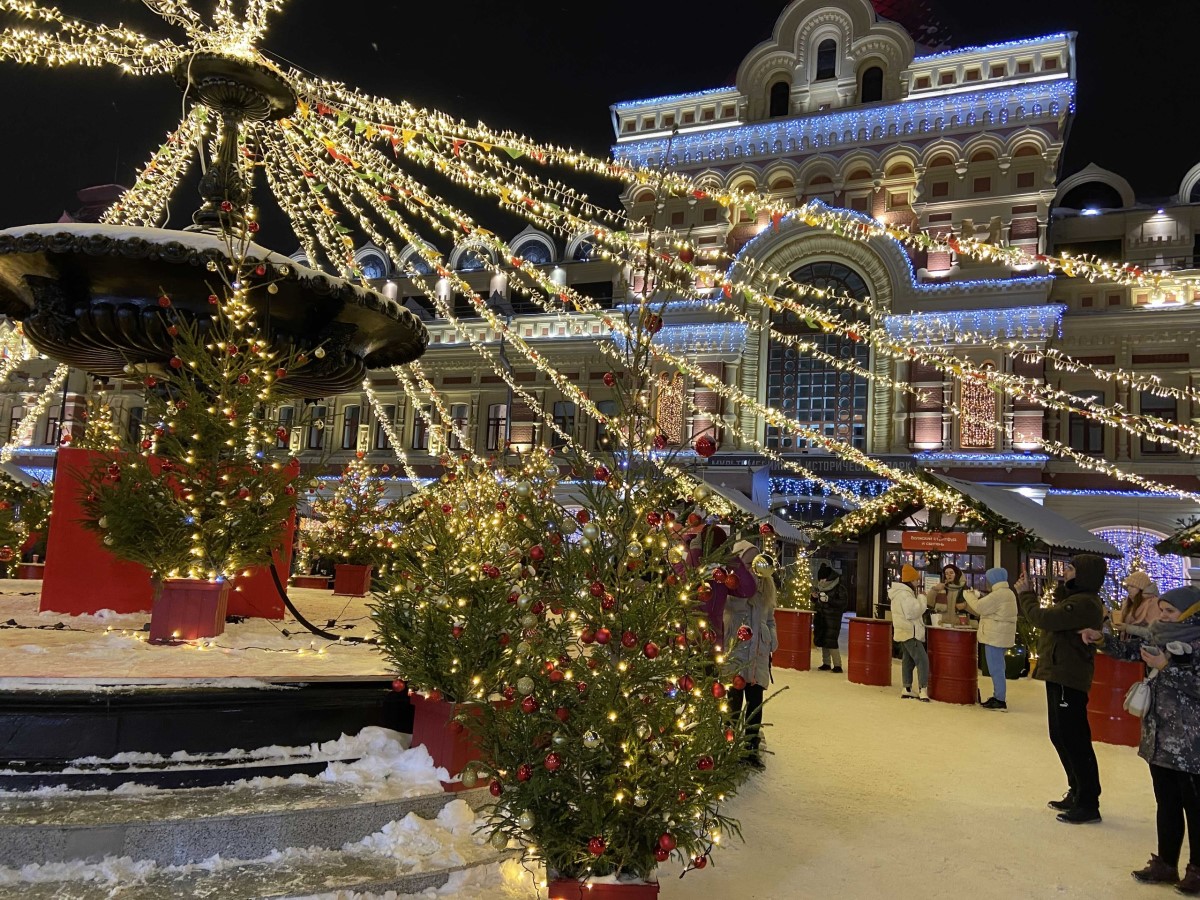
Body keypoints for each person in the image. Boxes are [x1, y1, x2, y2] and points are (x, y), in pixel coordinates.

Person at [1081, 585, 1200, 892]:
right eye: (1161, 609)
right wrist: (1102, 639)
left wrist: (1166, 669)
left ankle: (1197, 871)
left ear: (1190, 613)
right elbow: (1132, 651)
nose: (1162, 615)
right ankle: (1166, 864)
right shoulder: (1159, 636)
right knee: (1167, 802)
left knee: (1196, 807)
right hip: (1159, 737)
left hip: (1192, 744)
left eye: (1169, 611)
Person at [1014, 553, 1107, 824]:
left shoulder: (1085, 603)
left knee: (1073, 737)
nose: (1065, 572)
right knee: (1060, 735)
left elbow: (1044, 619)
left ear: (1084, 574)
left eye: (1070, 568)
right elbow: (1056, 612)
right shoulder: (1074, 599)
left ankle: (1089, 801)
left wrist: (1027, 595)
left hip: (1070, 675)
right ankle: (1077, 790)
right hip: (1059, 672)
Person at [725, 541, 779, 771]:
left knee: (755, 707)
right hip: (736, 656)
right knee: (733, 706)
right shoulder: (732, 590)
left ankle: (750, 749)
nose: (754, 568)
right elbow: (730, 613)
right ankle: (726, 748)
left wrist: (772, 637)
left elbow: (769, 619)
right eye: (748, 563)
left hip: (758, 656)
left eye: (756, 563)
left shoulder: (766, 589)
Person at [959, 567, 1017, 710]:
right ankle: (998, 696)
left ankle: (999, 699)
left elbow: (979, 607)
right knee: (999, 667)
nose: (987, 583)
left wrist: (969, 595)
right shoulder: (1007, 593)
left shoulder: (998, 595)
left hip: (994, 636)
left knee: (995, 668)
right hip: (1000, 635)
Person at [889, 563, 930, 702]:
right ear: (911, 580)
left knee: (908, 660)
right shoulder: (905, 594)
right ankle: (923, 689)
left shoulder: (899, 593)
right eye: (916, 580)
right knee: (922, 660)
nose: (917, 582)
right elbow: (913, 612)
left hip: (903, 631)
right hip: (910, 632)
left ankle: (906, 688)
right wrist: (923, 598)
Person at [812, 561, 848, 673]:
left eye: (823, 579)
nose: (821, 581)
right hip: (821, 617)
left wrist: (829, 600)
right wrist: (814, 598)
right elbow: (817, 602)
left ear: (829, 578)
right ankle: (826, 663)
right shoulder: (820, 587)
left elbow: (843, 603)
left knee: (831, 641)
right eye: (820, 579)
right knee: (823, 640)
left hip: (833, 618)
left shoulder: (839, 588)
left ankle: (838, 665)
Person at [1115, 570, 1163, 639]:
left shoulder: (1153, 603)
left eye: (1132, 586)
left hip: (1143, 645)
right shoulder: (1129, 602)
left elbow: (1154, 632)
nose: (1129, 589)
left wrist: (1128, 628)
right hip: (1127, 643)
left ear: (1141, 588)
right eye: (1128, 586)